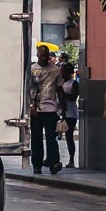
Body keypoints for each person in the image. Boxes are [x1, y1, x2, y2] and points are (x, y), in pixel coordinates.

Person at [28, 45, 62, 174]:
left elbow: (59, 89)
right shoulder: (32, 70)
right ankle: (37, 164)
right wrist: (30, 106)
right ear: (38, 55)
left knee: (51, 137)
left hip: (50, 109)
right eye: (42, 55)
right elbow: (28, 89)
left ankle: (53, 162)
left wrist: (62, 109)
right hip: (35, 110)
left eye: (47, 55)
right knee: (36, 138)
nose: (45, 57)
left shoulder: (55, 70)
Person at [57, 59, 81, 169]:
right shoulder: (59, 83)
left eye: (63, 71)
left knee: (69, 136)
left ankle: (71, 159)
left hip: (70, 113)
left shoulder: (73, 83)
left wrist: (63, 94)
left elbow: (74, 97)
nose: (61, 73)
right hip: (59, 112)